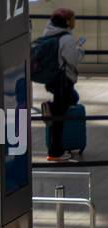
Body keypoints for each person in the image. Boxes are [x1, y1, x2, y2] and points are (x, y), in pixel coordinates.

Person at [39, 9, 81, 163]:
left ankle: (52, 107)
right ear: (67, 21)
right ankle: (55, 152)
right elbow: (73, 60)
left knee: (71, 99)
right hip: (64, 80)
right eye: (73, 18)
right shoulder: (66, 39)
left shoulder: (48, 32)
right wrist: (79, 52)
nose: (74, 21)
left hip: (52, 79)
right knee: (59, 118)